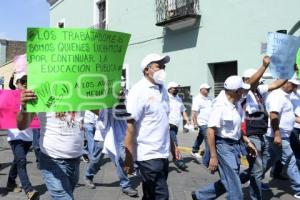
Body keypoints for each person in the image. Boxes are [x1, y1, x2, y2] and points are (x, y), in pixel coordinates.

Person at [192, 75, 256, 200]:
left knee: (231, 179)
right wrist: (213, 157)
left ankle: (200, 196)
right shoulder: (220, 105)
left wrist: (247, 142)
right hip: (223, 147)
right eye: (242, 90)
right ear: (236, 91)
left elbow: (236, 129)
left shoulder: (235, 102)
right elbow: (211, 131)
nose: (244, 92)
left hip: (235, 145)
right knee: (234, 185)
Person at [17, 91, 85, 199]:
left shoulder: (80, 86)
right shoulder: (39, 90)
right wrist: (25, 108)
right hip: (52, 159)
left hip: (75, 158)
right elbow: (21, 125)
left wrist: (113, 98)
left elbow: (99, 111)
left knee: (67, 194)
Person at [124, 53, 173, 200]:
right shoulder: (138, 90)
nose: (162, 70)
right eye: (159, 66)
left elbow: (165, 121)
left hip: (163, 153)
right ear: (147, 70)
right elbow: (130, 125)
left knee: (150, 194)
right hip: (148, 155)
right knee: (161, 196)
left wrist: (173, 146)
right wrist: (129, 157)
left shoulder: (163, 89)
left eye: (163, 67)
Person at [239, 56, 287, 199]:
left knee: (257, 169)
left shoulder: (259, 90)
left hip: (261, 134)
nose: (260, 81)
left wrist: (288, 71)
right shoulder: (243, 92)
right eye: (257, 78)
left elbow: (276, 84)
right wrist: (264, 66)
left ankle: (227, 184)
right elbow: (250, 82)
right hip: (251, 135)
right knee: (257, 170)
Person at [264, 78, 300, 199]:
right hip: (278, 135)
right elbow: (273, 115)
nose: (295, 88)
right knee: (290, 160)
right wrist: (278, 135)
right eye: (294, 85)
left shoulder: (286, 96)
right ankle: (298, 189)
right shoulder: (277, 96)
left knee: (269, 159)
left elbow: (288, 115)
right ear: (285, 83)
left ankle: (253, 178)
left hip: (282, 135)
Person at [6, 75, 39, 200]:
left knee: (17, 160)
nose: (25, 84)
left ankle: (10, 182)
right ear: (17, 83)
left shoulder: (33, 96)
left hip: (28, 136)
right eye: (22, 82)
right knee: (21, 161)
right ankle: (29, 190)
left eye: (27, 82)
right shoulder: (10, 95)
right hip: (15, 135)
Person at [167, 81, 190, 170]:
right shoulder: (165, 98)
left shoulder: (178, 98)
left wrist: (187, 119)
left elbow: (183, 110)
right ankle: (178, 160)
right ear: (169, 89)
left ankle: (164, 160)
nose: (177, 89)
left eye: (177, 88)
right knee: (174, 142)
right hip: (168, 124)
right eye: (175, 88)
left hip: (175, 125)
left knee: (170, 143)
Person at [190, 83, 212, 167]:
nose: (208, 90)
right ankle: (207, 161)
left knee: (201, 136)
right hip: (202, 123)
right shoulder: (197, 99)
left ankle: (194, 150)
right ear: (201, 89)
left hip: (210, 123)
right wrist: (195, 123)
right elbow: (194, 112)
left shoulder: (209, 98)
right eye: (206, 89)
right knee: (209, 140)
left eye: (208, 89)